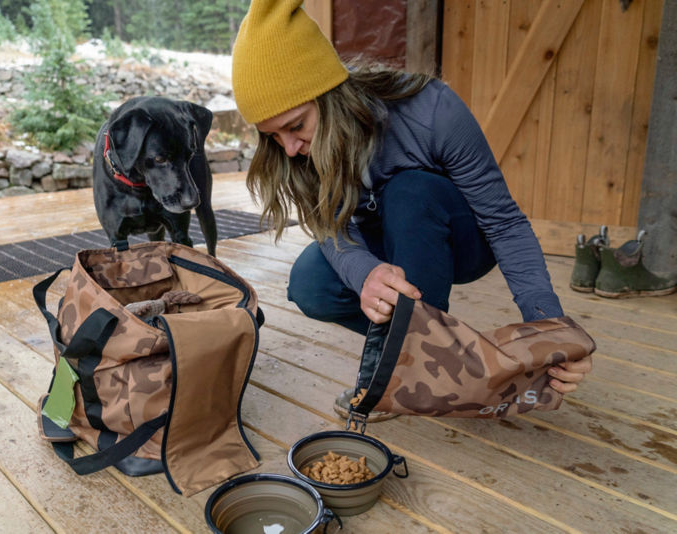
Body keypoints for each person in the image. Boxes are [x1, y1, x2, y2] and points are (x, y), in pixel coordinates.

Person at [231, 0, 591, 416]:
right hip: (391, 241)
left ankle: (411, 368)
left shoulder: (432, 111)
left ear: (333, 97)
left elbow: (504, 223)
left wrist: (549, 329)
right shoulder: (293, 152)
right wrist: (366, 273)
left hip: (460, 241)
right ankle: (429, 355)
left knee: (409, 189)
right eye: (272, 136)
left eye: (296, 126)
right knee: (311, 282)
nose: (290, 149)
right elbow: (330, 230)